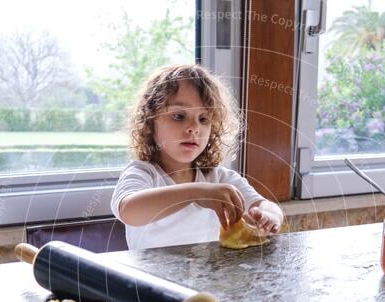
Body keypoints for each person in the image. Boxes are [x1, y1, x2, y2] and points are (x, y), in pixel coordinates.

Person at [111, 64, 284, 250]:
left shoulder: (220, 178)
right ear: (149, 123)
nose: (194, 127)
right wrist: (197, 192)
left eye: (203, 119)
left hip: (206, 276)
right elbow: (128, 211)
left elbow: (264, 204)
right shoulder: (143, 173)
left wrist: (269, 216)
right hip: (148, 278)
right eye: (179, 116)